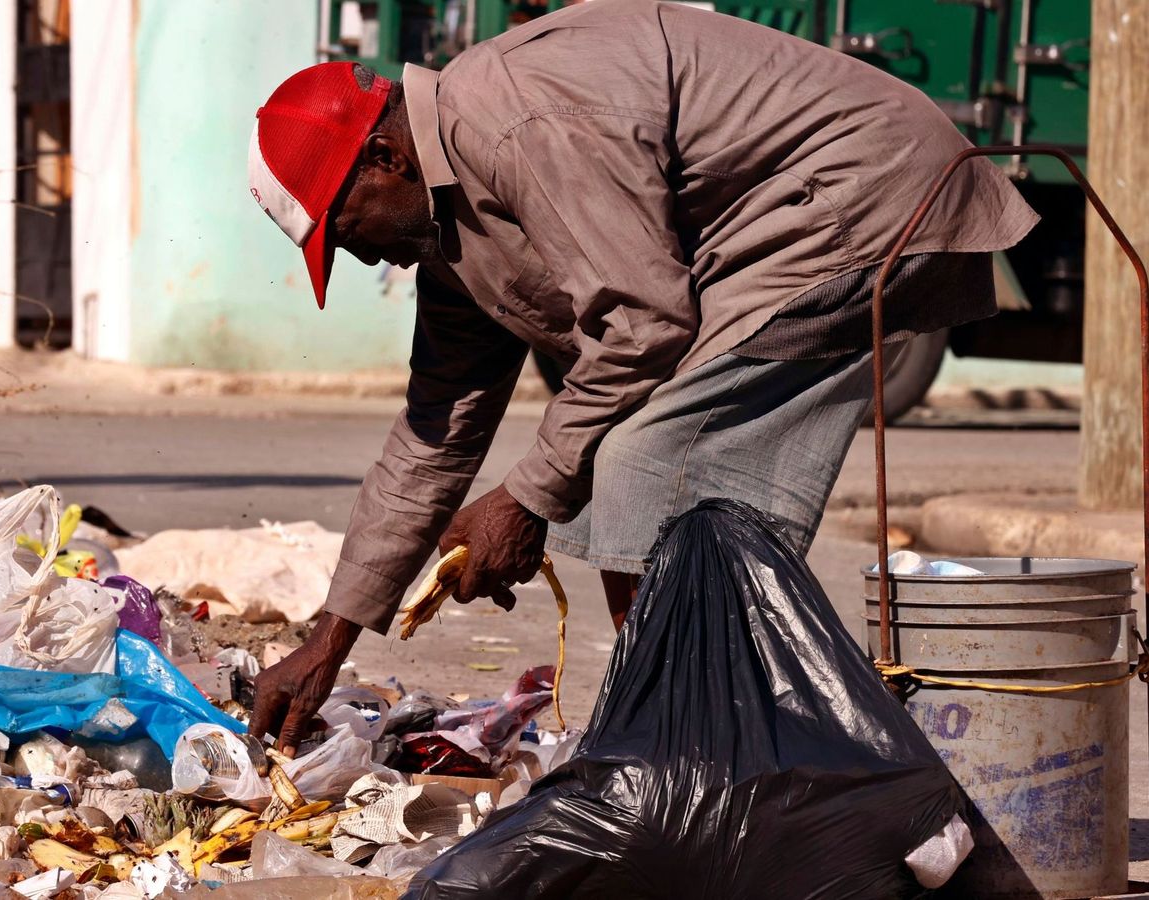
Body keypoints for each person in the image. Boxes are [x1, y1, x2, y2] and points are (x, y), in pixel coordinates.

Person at [245, 0, 1036, 754]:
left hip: (868, 192)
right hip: (790, 226)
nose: (363, 257)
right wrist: (327, 643)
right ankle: (693, 738)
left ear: (385, 157)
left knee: (640, 463)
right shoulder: (450, 240)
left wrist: (525, 497)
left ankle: (706, 745)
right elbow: (431, 440)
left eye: (348, 231)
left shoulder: (516, 116)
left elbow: (647, 322)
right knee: (627, 467)